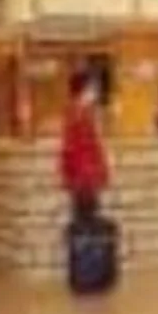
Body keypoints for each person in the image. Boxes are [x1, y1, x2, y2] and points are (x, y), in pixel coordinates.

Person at [60, 73, 109, 225]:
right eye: (93, 88)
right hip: (85, 181)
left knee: (84, 220)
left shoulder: (81, 113)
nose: (95, 92)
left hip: (83, 180)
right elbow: (81, 151)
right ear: (83, 91)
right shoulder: (79, 115)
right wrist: (95, 175)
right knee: (86, 222)